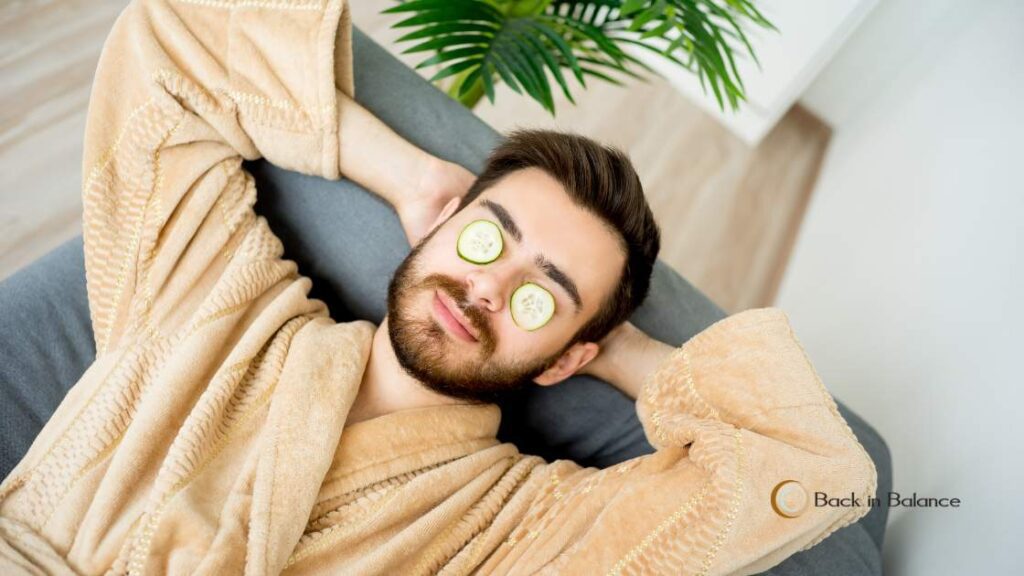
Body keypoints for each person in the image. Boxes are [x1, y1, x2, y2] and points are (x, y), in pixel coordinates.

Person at [0, 1, 876, 574]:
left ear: (565, 356)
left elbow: (806, 468)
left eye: (544, 295)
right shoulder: (220, 294)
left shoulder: (521, 529)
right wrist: (407, 176)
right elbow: (175, 39)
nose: (489, 286)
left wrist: (627, 354)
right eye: (489, 236)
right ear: (445, 223)